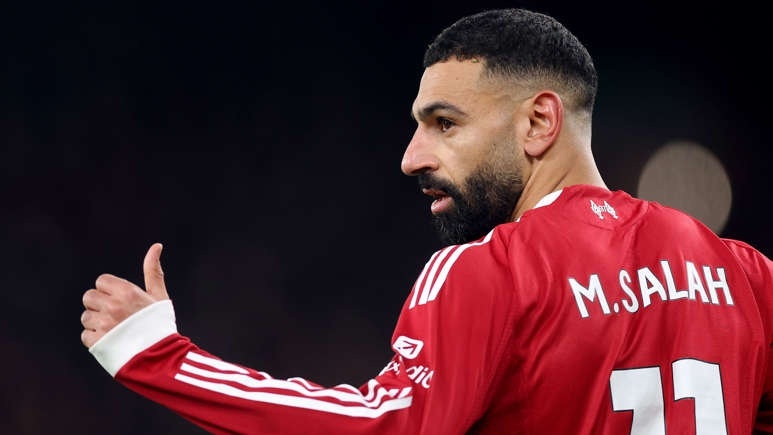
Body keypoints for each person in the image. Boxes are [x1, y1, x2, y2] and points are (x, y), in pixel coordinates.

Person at [80, 8, 773, 434]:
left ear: (539, 122)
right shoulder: (744, 274)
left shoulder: (492, 270)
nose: (412, 157)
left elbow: (383, 425)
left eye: (444, 123)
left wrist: (159, 355)